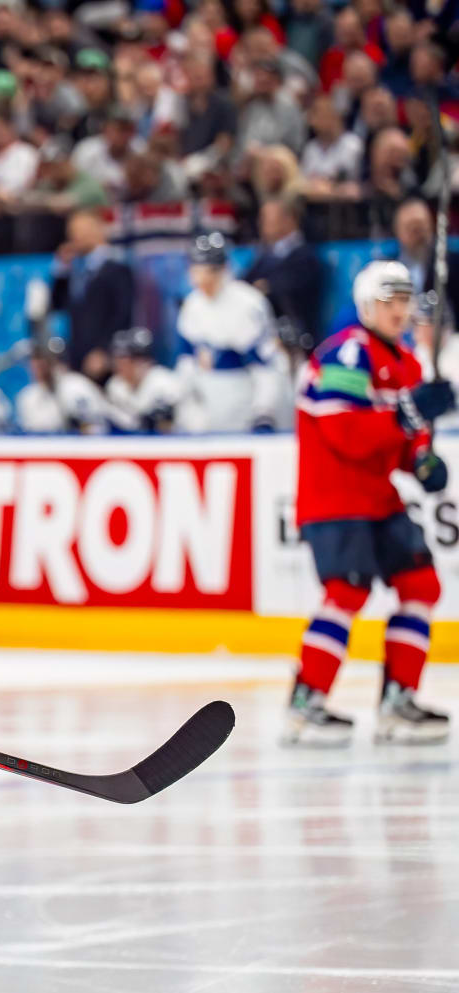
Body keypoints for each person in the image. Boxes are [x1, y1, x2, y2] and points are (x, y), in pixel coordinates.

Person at [286, 260, 454, 746]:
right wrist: (409, 414)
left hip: (378, 499)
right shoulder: (345, 356)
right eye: (389, 301)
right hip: (334, 498)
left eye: (404, 301)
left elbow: (402, 439)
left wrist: (422, 460)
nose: (399, 310)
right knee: (347, 592)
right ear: (365, 305)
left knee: (420, 583)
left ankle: (398, 701)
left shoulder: (408, 363)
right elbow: (347, 435)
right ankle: (304, 703)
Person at [174, 233, 293, 432]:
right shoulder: (192, 306)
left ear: (223, 270)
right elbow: (186, 362)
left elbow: (268, 366)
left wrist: (264, 411)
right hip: (206, 408)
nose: (202, 280)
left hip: (242, 405)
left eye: (208, 272)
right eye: (196, 272)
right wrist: (179, 400)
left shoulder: (247, 304)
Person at [48, 209, 134, 382]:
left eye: (79, 231)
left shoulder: (117, 269)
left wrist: (104, 350)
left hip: (103, 359)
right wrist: (61, 268)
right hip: (78, 356)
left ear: (97, 230)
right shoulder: (75, 270)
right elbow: (57, 304)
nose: (74, 237)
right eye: (71, 232)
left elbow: (123, 314)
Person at [245, 200, 325, 344]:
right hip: (262, 333)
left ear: (289, 220)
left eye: (267, 219)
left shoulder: (305, 256)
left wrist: (266, 287)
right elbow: (244, 284)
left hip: (297, 338)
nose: (261, 224)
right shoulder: (265, 255)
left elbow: (287, 289)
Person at [14, 335, 106, 433]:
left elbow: (95, 428)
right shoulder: (27, 396)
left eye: (43, 359)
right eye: (35, 359)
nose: (39, 365)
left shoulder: (75, 386)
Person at [103, 327, 187, 433]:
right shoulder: (115, 386)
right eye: (119, 359)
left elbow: (165, 427)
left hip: (177, 442)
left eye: (130, 359)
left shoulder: (164, 382)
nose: (121, 365)